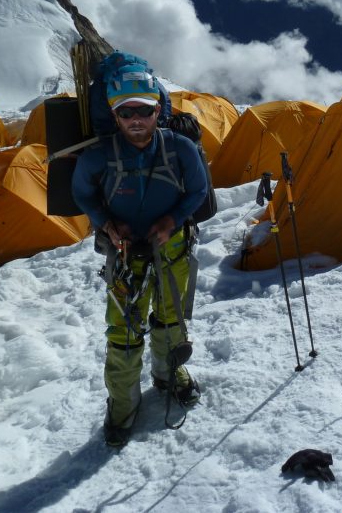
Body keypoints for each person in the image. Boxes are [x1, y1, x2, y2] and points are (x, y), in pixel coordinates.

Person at [72, 63, 209, 447]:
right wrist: (105, 223)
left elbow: (197, 191)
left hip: (172, 248)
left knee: (170, 317)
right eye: (126, 112)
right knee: (124, 334)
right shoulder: (99, 157)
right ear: (114, 114)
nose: (136, 120)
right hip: (126, 254)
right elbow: (83, 192)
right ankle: (122, 404)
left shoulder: (180, 147)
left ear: (158, 111)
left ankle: (169, 374)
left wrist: (171, 221)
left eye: (144, 111)